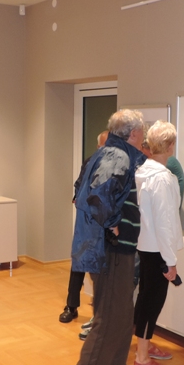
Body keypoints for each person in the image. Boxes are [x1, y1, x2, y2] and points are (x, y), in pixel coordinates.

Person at [59, 109, 147, 365]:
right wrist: (113, 224)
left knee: (122, 318)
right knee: (109, 319)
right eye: (142, 131)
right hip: (111, 251)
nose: (144, 136)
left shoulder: (113, 153)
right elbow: (96, 197)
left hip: (114, 250)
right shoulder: (117, 157)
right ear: (133, 133)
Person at [133, 121, 184, 365]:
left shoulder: (144, 172)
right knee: (152, 301)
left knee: (146, 297)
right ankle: (142, 358)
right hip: (157, 250)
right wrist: (170, 260)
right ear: (170, 145)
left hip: (146, 245)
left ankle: (144, 346)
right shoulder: (162, 179)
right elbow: (164, 222)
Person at [59, 130, 108, 328]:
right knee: (78, 263)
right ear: (98, 147)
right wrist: (78, 197)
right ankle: (71, 306)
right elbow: (79, 184)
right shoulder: (89, 162)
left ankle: (100, 312)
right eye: (104, 146)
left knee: (100, 269)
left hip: (104, 226)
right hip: (86, 223)